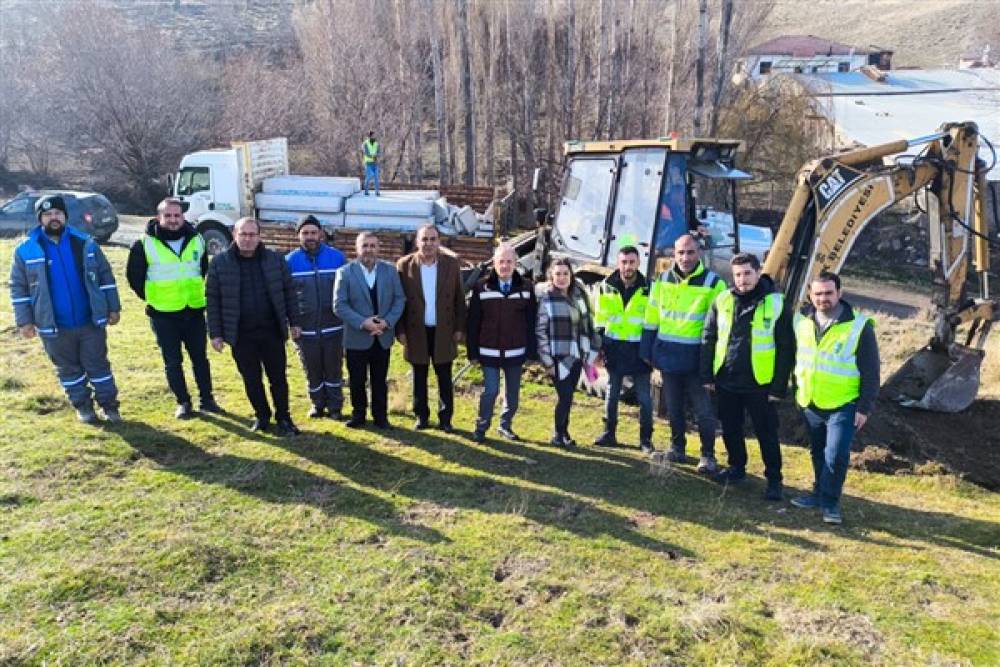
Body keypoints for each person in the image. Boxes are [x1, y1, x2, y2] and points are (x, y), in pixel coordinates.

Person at [10, 195, 122, 423]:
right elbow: (19, 289)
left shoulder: (85, 243)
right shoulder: (26, 250)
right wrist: (25, 322)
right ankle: (84, 408)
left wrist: (113, 307)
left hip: (89, 321)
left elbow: (105, 276)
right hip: (53, 325)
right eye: (48, 214)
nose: (54, 218)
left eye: (58, 214)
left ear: (65, 216)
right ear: (40, 218)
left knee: (98, 365)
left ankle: (110, 407)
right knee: (68, 370)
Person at [701, 253, 794, 499]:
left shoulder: (776, 303)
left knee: (766, 433)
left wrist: (778, 387)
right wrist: (707, 374)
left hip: (760, 383)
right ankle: (736, 467)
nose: (742, 280)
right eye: (738, 275)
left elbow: (786, 348)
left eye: (747, 274)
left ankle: (774, 479)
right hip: (727, 378)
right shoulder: (722, 300)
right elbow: (709, 337)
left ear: (758, 271)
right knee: (731, 428)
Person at [789, 271, 879, 525]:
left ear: (839, 293)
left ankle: (830, 503)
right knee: (818, 452)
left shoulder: (859, 327)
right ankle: (818, 493)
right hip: (811, 401)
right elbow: (798, 358)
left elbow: (871, 372)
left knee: (835, 455)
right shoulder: (802, 322)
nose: (823, 298)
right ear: (810, 295)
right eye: (818, 294)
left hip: (844, 403)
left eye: (829, 293)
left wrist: (864, 407)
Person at [126, 197, 220, 419]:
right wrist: (154, 297)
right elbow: (134, 278)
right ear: (158, 217)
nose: (173, 220)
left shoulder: (197, 239)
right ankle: (184, 402)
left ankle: (207, 400)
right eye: (167, 215)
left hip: (194, 309)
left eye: (177, 215)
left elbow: (202, 269)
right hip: (163, 313)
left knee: (200, 358)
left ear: (183, 216)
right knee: (173, 361)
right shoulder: (143, 244)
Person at [206, 217, 301, 436]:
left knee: (278, 378)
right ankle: (262, 416)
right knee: (251, 378)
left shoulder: (275, 260)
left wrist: (294, 322)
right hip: (241, 334)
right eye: (243, 234)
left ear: (259, 236)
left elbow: (289, 293)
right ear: (234, 235)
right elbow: (212, 300)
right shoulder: (220, 263)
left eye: (252, 234)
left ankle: (284, 417)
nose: (248, 239)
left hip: (272, 331)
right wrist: (216, 333)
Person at [641, 234, 726, 472]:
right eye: (680, 253)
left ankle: (708, 456)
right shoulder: (662, 280)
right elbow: (652, 316)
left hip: (698, 360)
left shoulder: (713, 283)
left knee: (703, 411)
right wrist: (647, 349)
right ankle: (678, 448)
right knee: (673, 407)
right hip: (668, 357)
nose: (685, 258)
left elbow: (721, 326)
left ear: (698, 253)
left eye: (690, 252)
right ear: (673, 254)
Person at [396, 223, 467, 432]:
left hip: (443, 328)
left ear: (439, 242)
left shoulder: (451, 264)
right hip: (416, 329)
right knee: (419, 374)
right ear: (417, 242)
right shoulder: (404, 265)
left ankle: (446, 418)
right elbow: (398, 301)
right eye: (424, 239)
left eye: (432, 239)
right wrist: (399, 331)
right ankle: (421, 416)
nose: (428, 243)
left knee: (444, 375)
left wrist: (459, 328)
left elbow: (459, 299)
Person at [333, 231, 406, 429]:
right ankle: (358, 415)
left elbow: (400, 299)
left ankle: (380, 416)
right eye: (365, 246)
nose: (369, 250)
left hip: (382, 335)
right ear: (357, 249)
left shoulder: (390, 271)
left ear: (378, 248)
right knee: (357, 379)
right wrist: (363, 322)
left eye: (373, 245)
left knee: (379, 379)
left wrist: (387, 322)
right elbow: (339, 305)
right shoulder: (345, 272)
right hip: (357, 336)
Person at [466, 243, 536, 443]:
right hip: (489, 351)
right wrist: (472, 352)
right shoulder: (481, 286)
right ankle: (481, 426)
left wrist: (532, 352)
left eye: (508, 262)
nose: (504, 266)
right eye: (500, 262)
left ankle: (505, 425)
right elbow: (473, 322)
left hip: (515, 351)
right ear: (494, 263)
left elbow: (531, 322)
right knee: (491, 391)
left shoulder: (526, 287)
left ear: (515, 263)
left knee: (512, 393)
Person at [285, 215, 347, 420]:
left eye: (313, 232)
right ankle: (318, 404)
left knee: (334, 368)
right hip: (305, 329)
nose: (310, 237)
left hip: (334, 327)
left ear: (320, 234)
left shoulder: (337, 258)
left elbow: (347, 292)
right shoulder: (289, 262)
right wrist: (291, 323)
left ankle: (336, 406)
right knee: (312, 368)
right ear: (298, 236)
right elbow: (286, 297)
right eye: (305, 233)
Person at [593, 246, 654, 452]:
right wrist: (599, 347)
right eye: (624, 262)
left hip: (640, 351)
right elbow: (600, 318)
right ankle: (609, 433)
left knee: (644, 398)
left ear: (638, 263)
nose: (628, 266)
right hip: (614, 348)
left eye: (632, 262)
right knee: (611, 393)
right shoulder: (605, 286)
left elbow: (654, 322)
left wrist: (651, 351)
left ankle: (646, 440)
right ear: (618, 263)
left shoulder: (650, 288)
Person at [536, 258, 600, 448]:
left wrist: (594, 349)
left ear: (571, 275)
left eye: (565, 273)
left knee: (569, 396)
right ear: (551, 276)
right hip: (558, 358)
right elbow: (540, 332)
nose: (562, 278)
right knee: (564, 396)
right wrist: (547, 362)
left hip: (578, 355)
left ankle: (564, 432)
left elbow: (589, 322)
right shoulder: (547, 298)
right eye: (558, 274)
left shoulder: (579, 296)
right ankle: (557, 434)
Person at [362, 131, 381, 197]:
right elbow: (366, 153)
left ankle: (377, 192)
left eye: (374, 135)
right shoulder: (365, 144)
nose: (374, 136)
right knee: (369, 176)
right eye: (372, 135)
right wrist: (373, 156)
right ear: (369, 136)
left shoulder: (377, 144)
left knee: (376, 177)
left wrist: (377, 155)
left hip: (375, 163)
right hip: (368, 163)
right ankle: (366, 191)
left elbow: (379, 152)